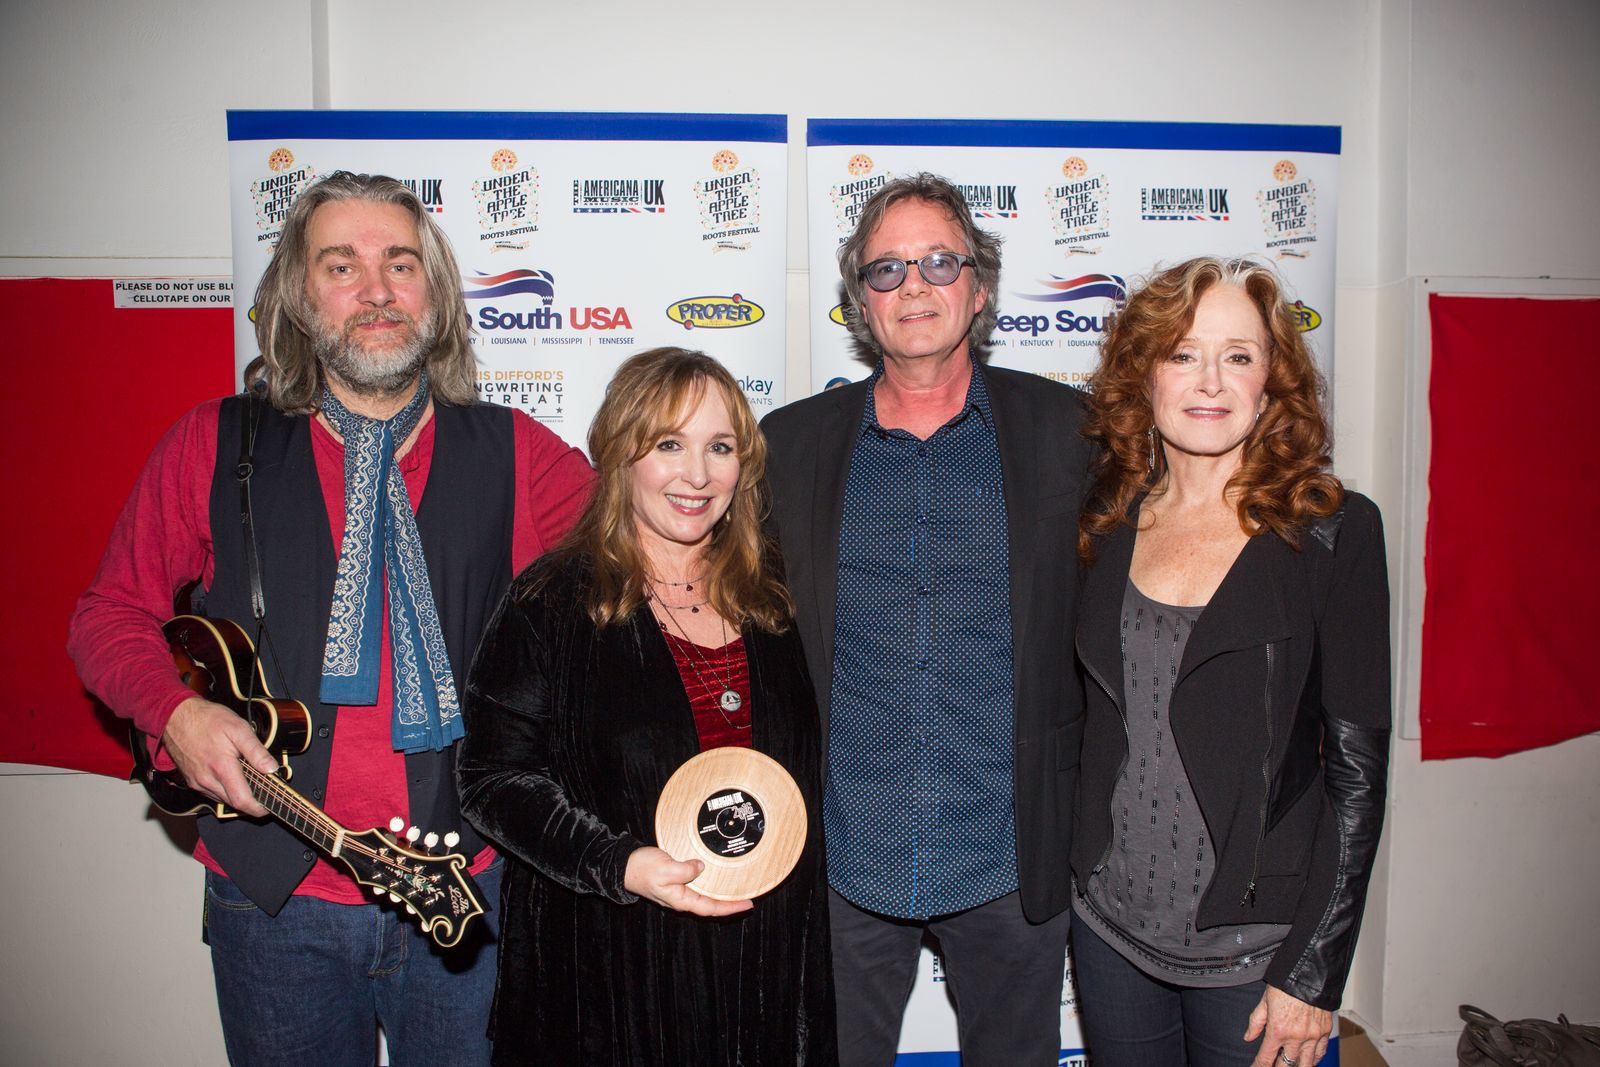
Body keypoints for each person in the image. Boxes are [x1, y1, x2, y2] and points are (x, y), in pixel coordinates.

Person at [68, 171, 593, 1066]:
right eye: (341, 266)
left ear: (435, 292)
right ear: (298, 296)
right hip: (273, 901)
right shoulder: (213, 441)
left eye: (401, 264)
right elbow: (108, 614)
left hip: (469, 895)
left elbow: (642, 566)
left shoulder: (518, 453)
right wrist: (176, 713)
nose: (377, 290)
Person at [761, 174, 1093, 1067]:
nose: (914, 284)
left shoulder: (1070, 433)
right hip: (842, 854)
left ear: (979, 288)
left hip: (1011, 850)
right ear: (861, 302)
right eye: (888, 268)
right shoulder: (787, 447)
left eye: (940, 262)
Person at [457, 348, 835, 1067]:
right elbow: (491, 778)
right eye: (668, 444)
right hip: (614, 960)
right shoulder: (551, 602)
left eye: (719, 447)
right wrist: (619, 864)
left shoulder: (778, 600)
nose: (697, 474)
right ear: (621, 454)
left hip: (765, 958)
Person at [1070, 256, 1390, 1067]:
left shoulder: (1331, 531)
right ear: (1144, 372)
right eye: (1183, 353)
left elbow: (1357, 776)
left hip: (1256, 952)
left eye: (1238, 355)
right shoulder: (1106, 517)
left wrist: (1313, 970)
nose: (1210, 380)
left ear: (1271, 380)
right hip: (1110, 929)